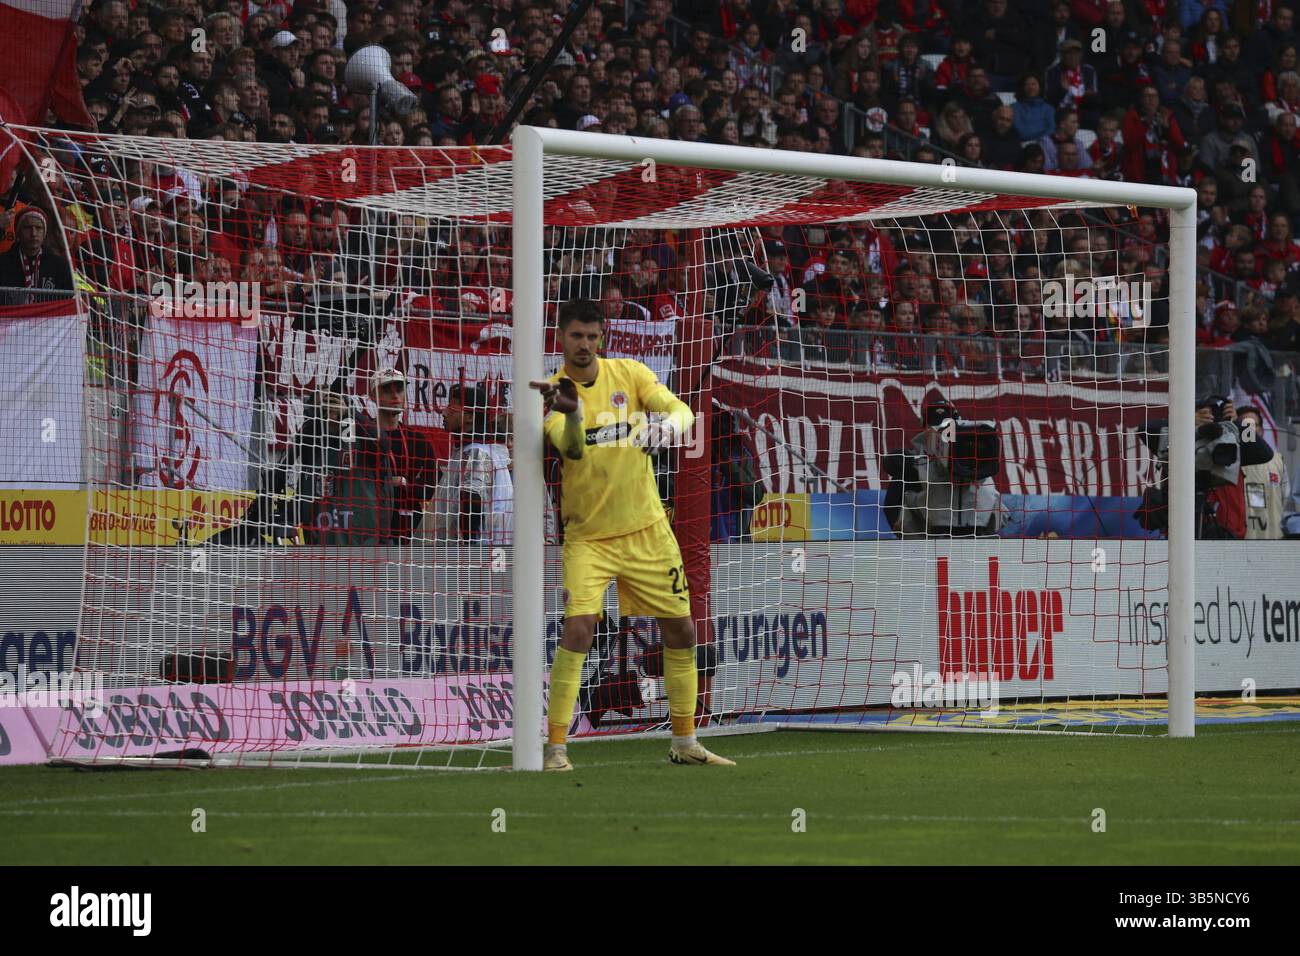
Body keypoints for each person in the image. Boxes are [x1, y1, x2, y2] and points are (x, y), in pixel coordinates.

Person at [528, 298, 733, 771]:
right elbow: (574, 450)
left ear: (602, 338)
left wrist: (667, 429)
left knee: (682, 630)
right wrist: (576, 414)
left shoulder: (631, 373)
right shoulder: (555, 393)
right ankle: (556, 748)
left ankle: (684, 741)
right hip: (589, 538)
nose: (584, 345)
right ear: (561, 338)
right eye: (576, 335)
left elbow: (680, 410)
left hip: (647, 530)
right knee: (579, 629)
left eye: (592, 336)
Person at [1236, 405, 1290, 540]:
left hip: (1272, 538)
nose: (1250, 431)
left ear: (1261, 429)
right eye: (1245, 425)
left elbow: (1284, 496)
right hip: (1242, 540)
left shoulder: (1277, 460)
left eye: (1254, 425)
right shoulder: (1231, 460)